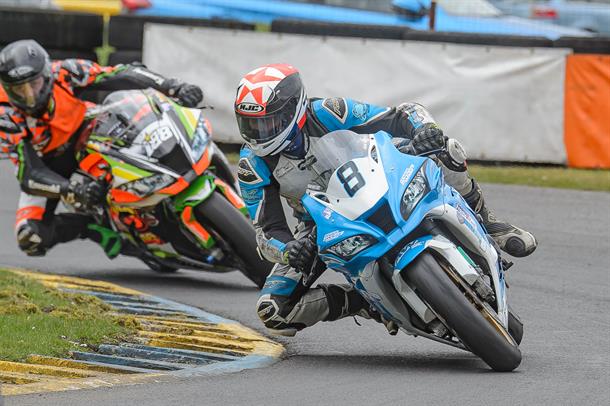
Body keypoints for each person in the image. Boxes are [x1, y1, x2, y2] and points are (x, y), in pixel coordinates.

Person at [235, 63, 537, 336]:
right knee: (274, 310)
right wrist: (289, 250)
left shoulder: (330, 111)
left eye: (267, 123)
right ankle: (368, 303)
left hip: (381, 174)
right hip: (323, 223)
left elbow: (402, 114)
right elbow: (265, 231)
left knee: (448, 149)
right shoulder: (252, 165)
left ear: (294, 110)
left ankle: (489, 223)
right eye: (250, 125)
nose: (259, 134)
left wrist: (427, 131)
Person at [0, 39, 203, 257]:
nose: (29, 97)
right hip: (49, 165)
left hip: (89, 131)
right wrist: (69, 188)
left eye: (34, 84)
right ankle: (94, 227)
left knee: (142, 118)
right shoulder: (5, 115)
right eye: (19, 90)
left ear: (46, 74)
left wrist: (173, 86)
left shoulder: (65, 72)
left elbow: (122, 73)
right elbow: (28, 173)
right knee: (31, 238)